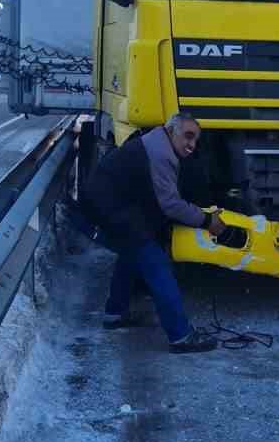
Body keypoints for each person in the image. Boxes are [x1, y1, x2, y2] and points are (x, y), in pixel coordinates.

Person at [82, 112, 224, 353]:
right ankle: (180, 336)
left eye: (196, 140)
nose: (192, 144)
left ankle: (114, 314)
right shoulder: (160, 153)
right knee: (155, 263)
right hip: (111, 209)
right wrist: (206, 220)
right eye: (188, 136)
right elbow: (169, 203)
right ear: (171, 131)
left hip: (110, 204)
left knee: (131, 255)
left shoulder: (158, 143)